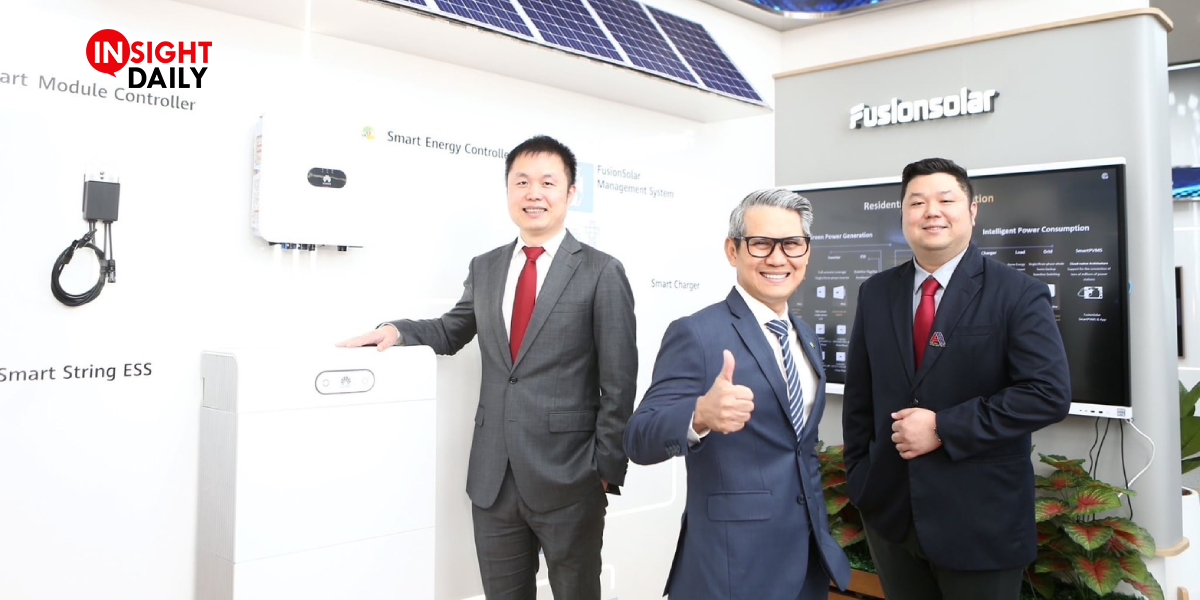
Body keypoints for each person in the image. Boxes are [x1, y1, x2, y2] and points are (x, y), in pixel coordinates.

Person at [338, 135, 637, 600]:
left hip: (570, 477)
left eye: (547, 182)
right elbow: (452, 330)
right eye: (521, 182)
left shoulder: (601, 271)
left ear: (571, 192)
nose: (533, 193)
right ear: (508, 190)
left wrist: (604, 469)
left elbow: (619, 381)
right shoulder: (487, 267)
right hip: (493, 479)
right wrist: (396, 331)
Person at [842, 157, 1071, 600]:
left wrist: (944, 428)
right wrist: (861, 480)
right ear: (903, 214)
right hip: (891, 517)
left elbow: (1047, 394)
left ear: (972, 211)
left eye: (945, 200)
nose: (932, 211)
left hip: (981, 522)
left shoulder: (1018, 293)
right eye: (917, 202)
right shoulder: (876, 292)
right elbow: (860, 398)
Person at [623, 189, 851, 600]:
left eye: (791, 244)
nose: (777, 258)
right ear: (733, 250)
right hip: (731, 568)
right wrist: (698, 415)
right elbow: (638, 438)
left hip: (807, 561)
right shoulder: (697, 333)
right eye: (761, 243)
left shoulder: (805, 336)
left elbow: (799, 447)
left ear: (806, 252)